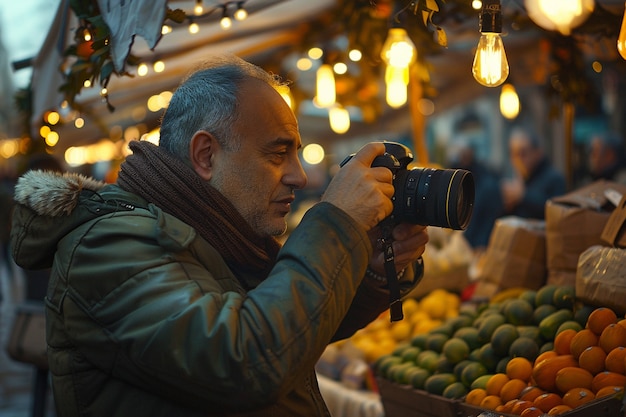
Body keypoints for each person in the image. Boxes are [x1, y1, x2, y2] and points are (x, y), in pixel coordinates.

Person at [9, 55, 428, 417]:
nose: (299, 176)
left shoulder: (214, 232)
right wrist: (335, 222)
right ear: (206, 155)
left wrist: (370, 272)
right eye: (278, 153)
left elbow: (292, 329)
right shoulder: (106, 246)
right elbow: (246, 360)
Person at [501, 128, 566, 219]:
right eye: (514, 154)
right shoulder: (519, 181)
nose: (518, 160)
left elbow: (556, 212)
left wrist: (523, 196)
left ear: (537, 152)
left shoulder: (555, 179)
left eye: (523, 153)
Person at [449, 142, 503, 249]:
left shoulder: (485, 179)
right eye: (461, 153)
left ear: (472, 152)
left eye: (465, 152)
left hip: (477, 241)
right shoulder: (454, 172)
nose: (463, 156)